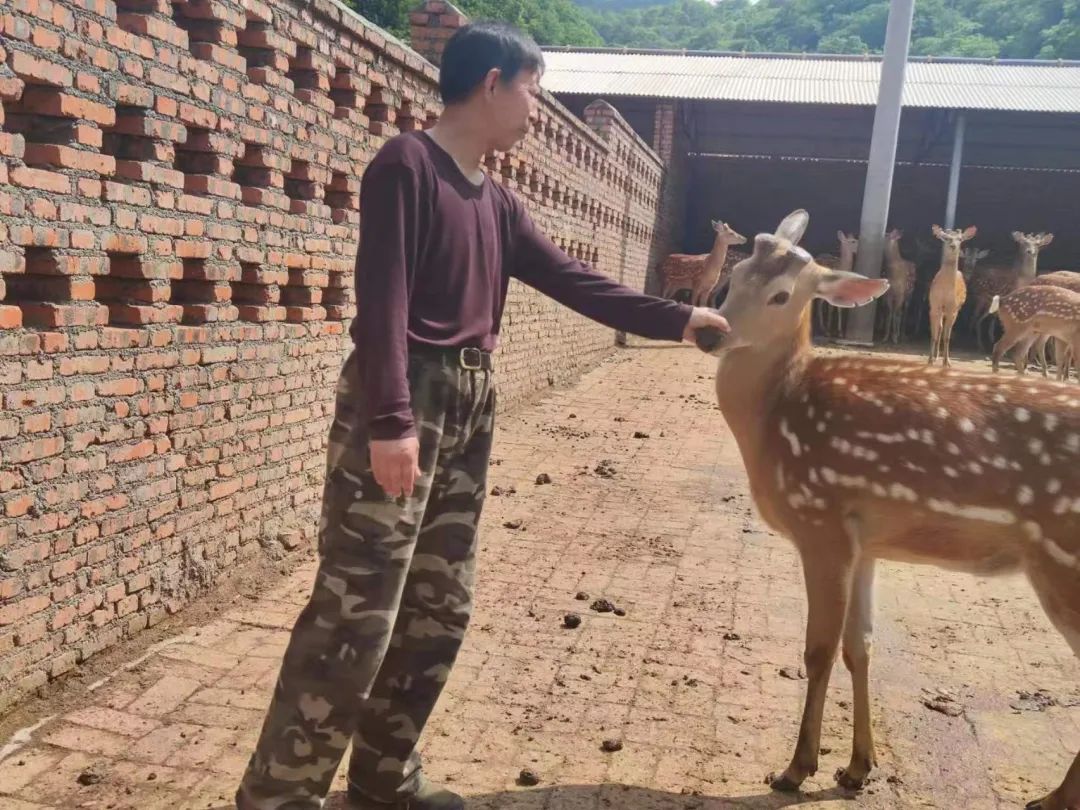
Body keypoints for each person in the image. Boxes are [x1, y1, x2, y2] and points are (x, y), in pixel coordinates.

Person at [236, 20, 728, 810]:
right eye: (535, 87)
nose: (539, 107)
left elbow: (571, 279)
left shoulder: (495, 200)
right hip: (406, 398)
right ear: (493, 83)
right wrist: (391, 423)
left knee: (439, 611)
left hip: (469, 402)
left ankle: (382, 782)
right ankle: (278, 797)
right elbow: (383, 301)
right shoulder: (407, 166)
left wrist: (679, 320)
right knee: (355, 615)